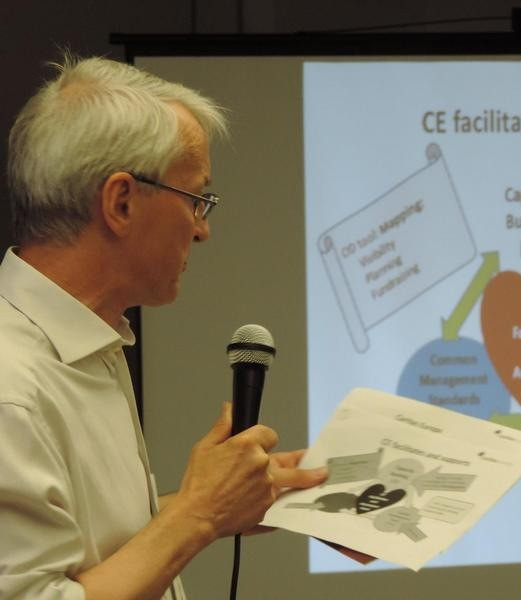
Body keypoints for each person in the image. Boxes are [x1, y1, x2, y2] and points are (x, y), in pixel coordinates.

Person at [0, 54, 328, 599]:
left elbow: (97, 547)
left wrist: (237, 496)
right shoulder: (12, 389)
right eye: (197, 200)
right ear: (122, 202)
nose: (203, 231)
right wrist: (200, 512)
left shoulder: (87, 343)